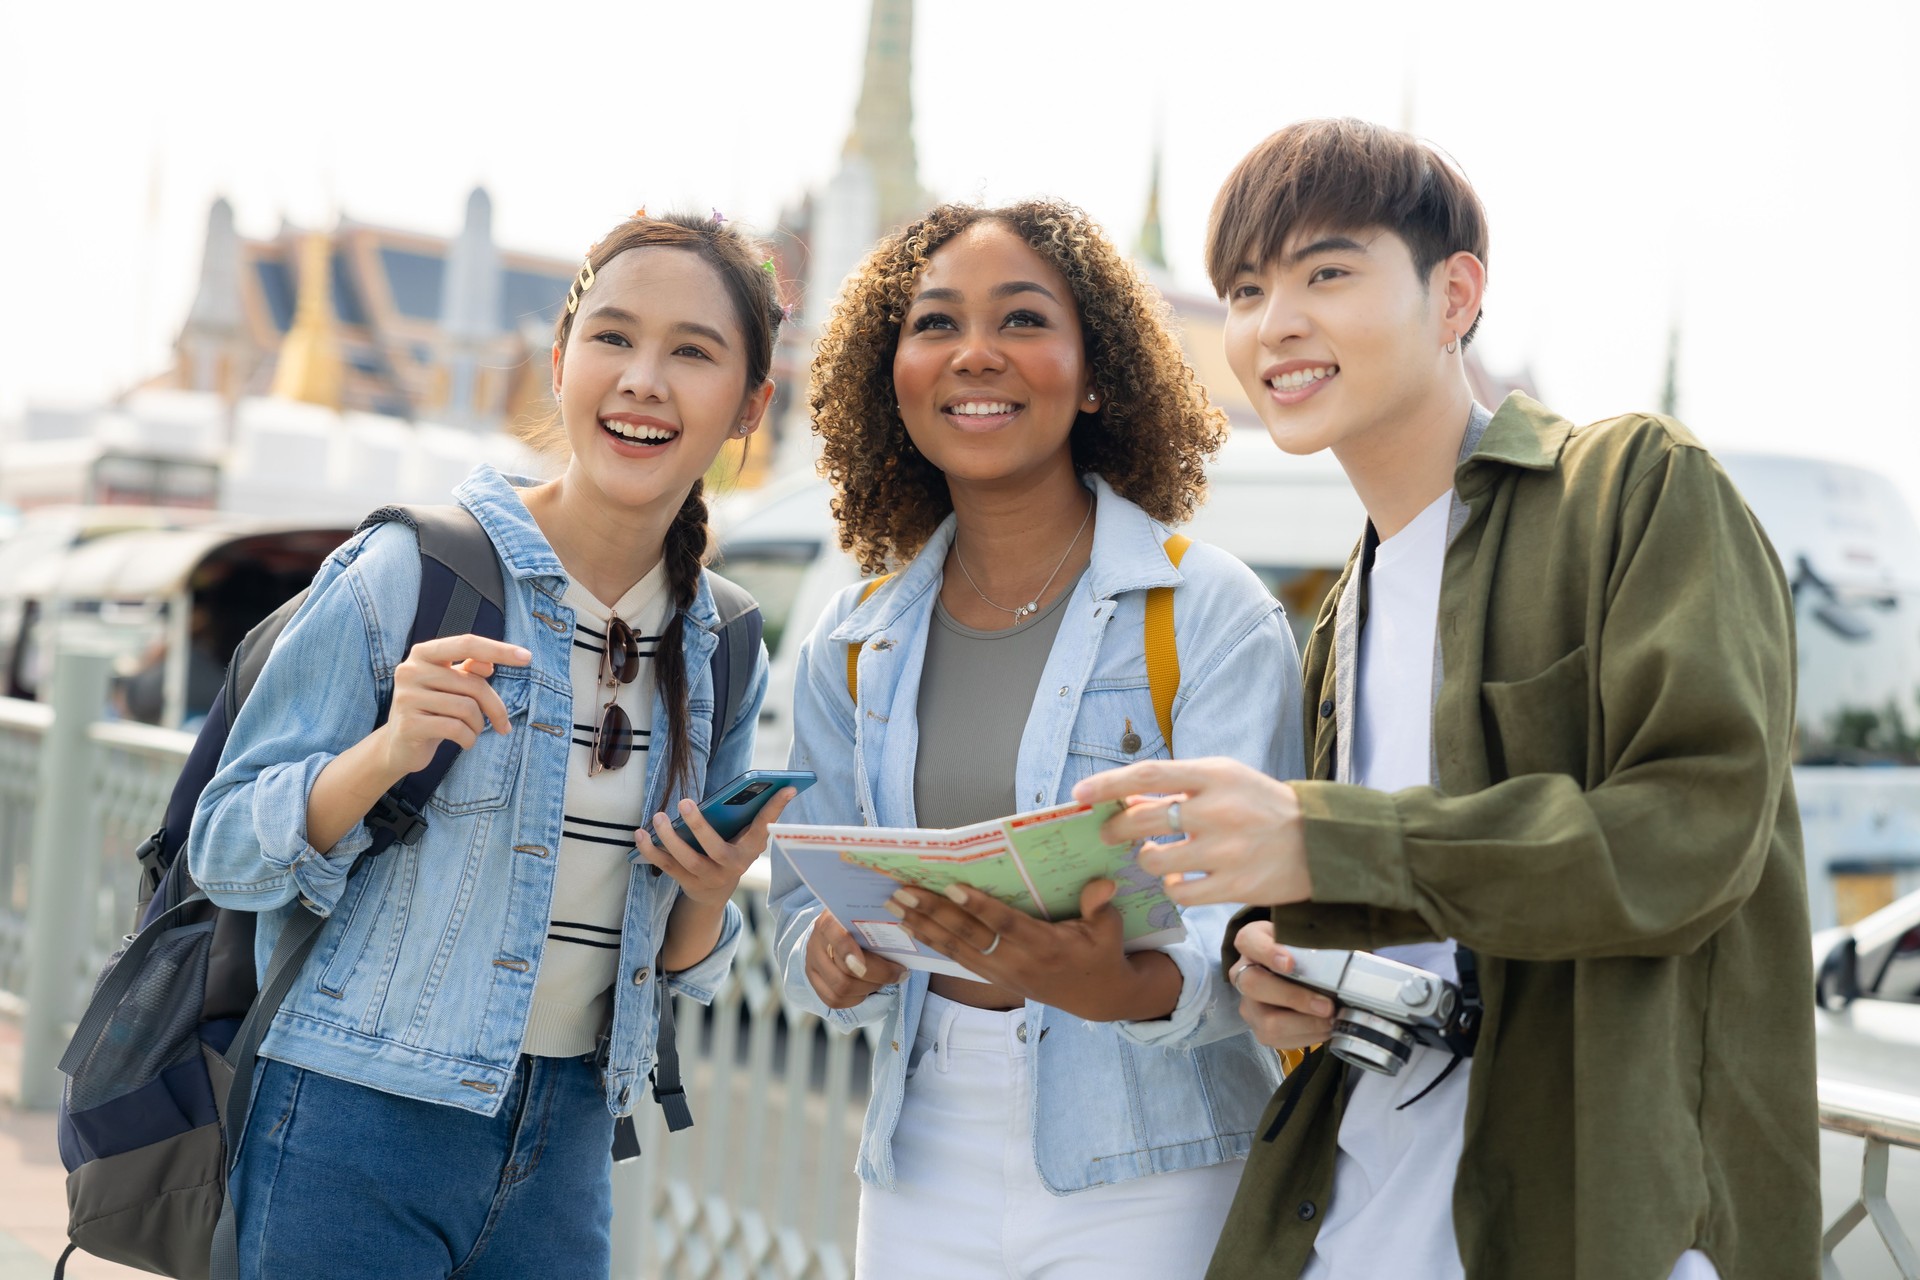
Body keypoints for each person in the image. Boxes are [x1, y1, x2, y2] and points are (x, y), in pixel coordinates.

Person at [1077, 118, 1819, 1280]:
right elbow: (1410, 897)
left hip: (1596, 1218)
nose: (1276, 324)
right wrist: (1284, 961)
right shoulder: (1345, 613)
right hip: (1354, 1202)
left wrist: (1322, 837)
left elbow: (1695, 832)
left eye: (1327, 272)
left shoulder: (1632, 485)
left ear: (1456, 293)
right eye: (1247, 288)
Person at [189, 210, 794, 1279]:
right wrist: (383, 751)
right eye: (612, 338)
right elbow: (226, 846)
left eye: (692, 351)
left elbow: (681, 966)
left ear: (751, 402)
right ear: (560, 362)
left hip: (565, 1142)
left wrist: (710, 886)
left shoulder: (723, 644)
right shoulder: (410, 568)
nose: (643, 378)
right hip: (352, 1116)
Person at [769, 199, 1301, 1278]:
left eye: (1021, 320)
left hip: (1154, 1149)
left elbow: (1249, 926)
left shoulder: (1207, 615)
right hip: (924, 1143)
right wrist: (827, 957)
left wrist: (1118, 984)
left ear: (1094, 372)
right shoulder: (852, 638)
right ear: (893, 378)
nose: (975, 353)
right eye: (934, 325)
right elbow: (797, 905)